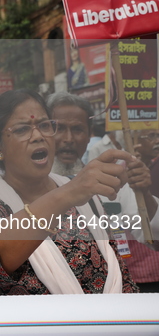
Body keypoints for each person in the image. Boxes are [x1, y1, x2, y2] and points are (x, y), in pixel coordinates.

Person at [0, 89, 138, 295]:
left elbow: (119, 272)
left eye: (44, 126)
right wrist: (68, 194)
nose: (38, 136)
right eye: (22, 130)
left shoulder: (86, 199)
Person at [49, 92, 159, 292]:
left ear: (89, 134)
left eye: (77, 129)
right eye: (59, 128)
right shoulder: (28, 185)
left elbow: (152, 238)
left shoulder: (111, 182)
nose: (68, 139)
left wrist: (144, 193)